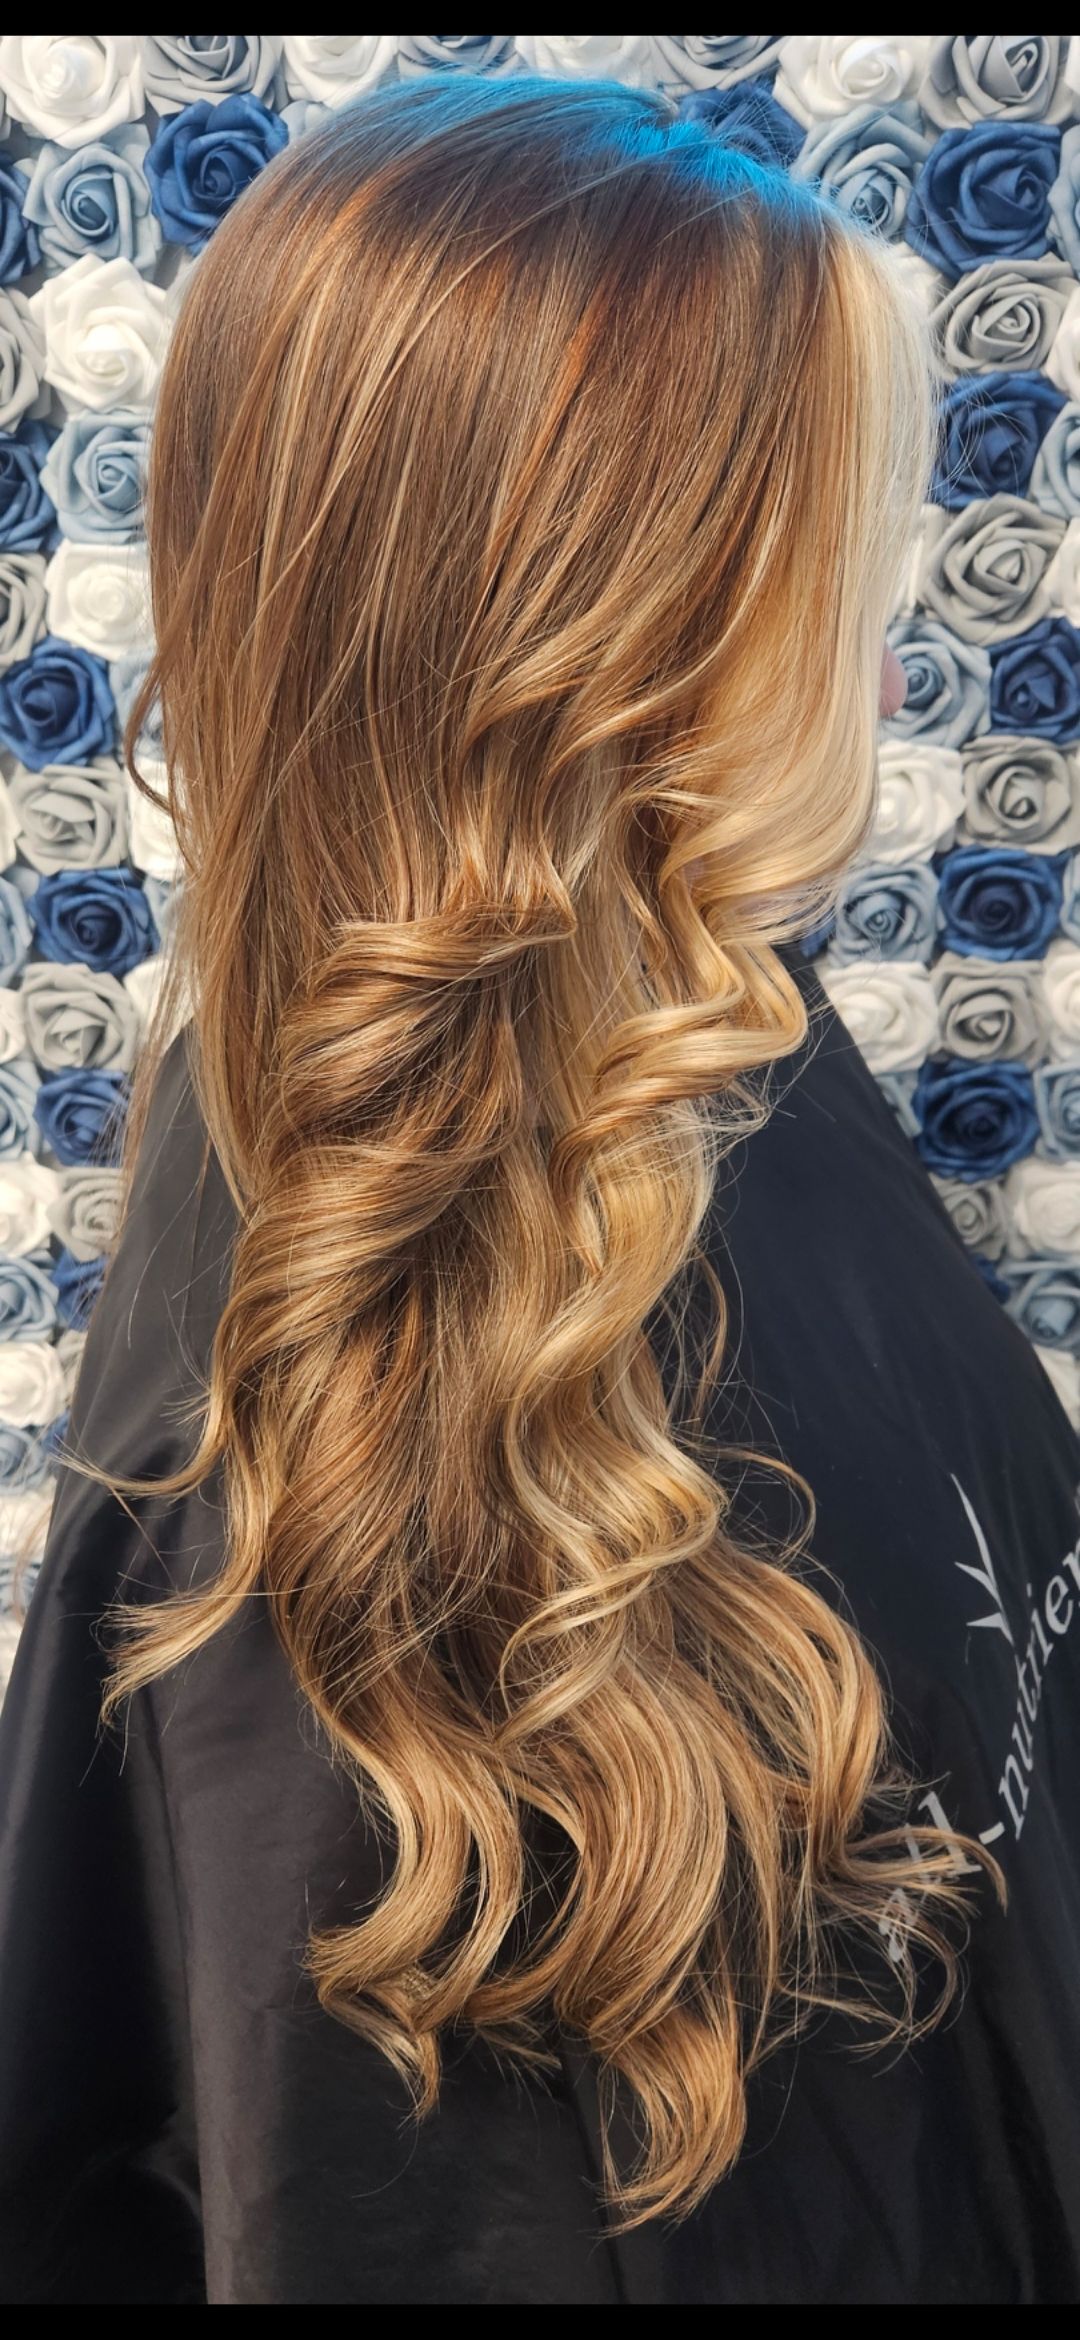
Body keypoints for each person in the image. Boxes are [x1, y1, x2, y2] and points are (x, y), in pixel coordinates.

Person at [0, 76, 1077, 2309]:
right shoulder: (346, 1475)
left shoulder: (712, 1011)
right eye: (820, 580)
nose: (887, 667)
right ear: (590, 657)